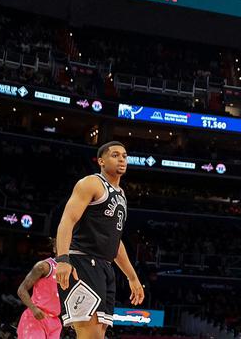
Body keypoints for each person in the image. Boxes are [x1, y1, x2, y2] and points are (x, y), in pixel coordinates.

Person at [55, 141, 144, 338]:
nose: (121, 159)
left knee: (99, 333)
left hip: (105, 267)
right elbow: (67, 221)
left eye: (124, 156)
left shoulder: (121, 195)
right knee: (90, 334)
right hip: (82, 261)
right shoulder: (91, 183)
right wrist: (62, 259)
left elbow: (115, 241)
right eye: (115, 155)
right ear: (101, 161)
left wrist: (132, 277)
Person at [16, 242, 62, 339]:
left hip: (55, 322)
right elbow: (21, 290)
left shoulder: (72, 272)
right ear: (54, 248)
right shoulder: (44, 266)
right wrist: (33, 309)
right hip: (36, 316)